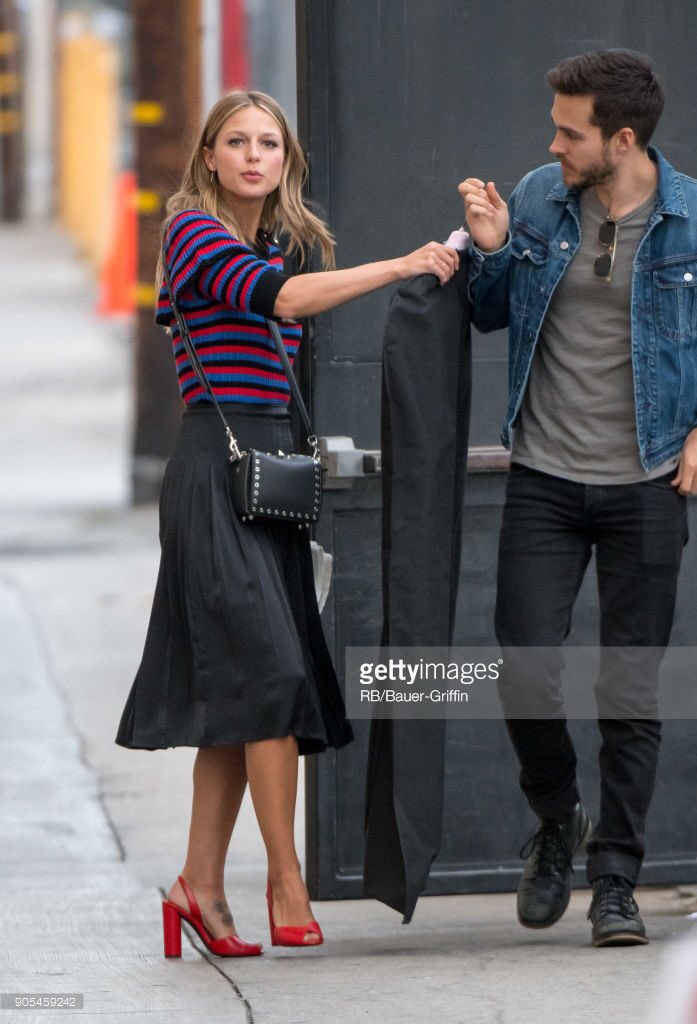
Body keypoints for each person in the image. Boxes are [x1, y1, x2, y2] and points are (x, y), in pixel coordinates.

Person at [115, 89, 459, 957]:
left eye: (269, 142)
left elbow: (288, 308)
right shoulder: (194, 233)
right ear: (210, 155)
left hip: (272, 479)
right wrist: (401, 266)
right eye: (237, 141)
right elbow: (284, 302)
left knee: (245, 692)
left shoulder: (283, 239)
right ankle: (285, 877)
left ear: (285, 159)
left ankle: (197, 887)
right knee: (268, 677)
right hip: (212, 470)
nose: (254, 156)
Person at [459, 50, 697, 947]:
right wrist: (487, 247)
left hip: (647, 481)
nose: (552, 144)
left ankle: (616, 879)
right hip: (545, 477)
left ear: (620, 139)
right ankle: (556, 819)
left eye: (568, 131)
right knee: (522, 662)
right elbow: (487, 310)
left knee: (629, 689)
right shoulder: (539, 198)